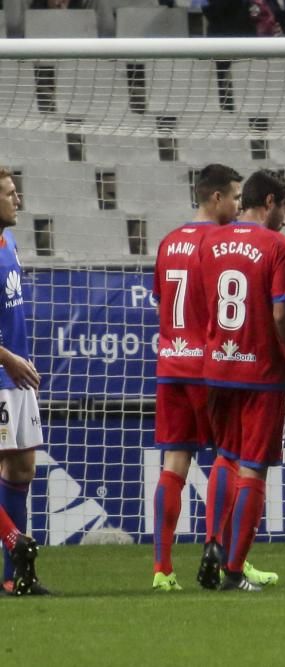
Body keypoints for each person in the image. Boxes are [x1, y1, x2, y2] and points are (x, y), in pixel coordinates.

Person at [151, 164, 277, 592]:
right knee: (234, 459)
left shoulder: (169, 241)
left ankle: (162, 570)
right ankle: (223, 554)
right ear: (218, 198)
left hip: (169, 365)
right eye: (237, 198)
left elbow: (161, 303)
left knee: (174, 465)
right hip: (211, 368)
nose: (241, 206)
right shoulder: (219, 243)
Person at [196, 169, 285, 592]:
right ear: (270, 202)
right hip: (261, 371)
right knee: (254, 468)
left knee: (226, 456)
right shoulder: (279, 246)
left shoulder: (211, 241)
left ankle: (212, 543)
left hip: (218, 366)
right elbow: (279, 313)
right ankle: (234, 571)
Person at [0, 167, 47, 596]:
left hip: (16, 375)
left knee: (22, 468)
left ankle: (14, 576)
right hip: (2, 372)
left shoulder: (8, 241)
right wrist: (8, 359)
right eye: (11, 194)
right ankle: (15, 551)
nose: (19, 201)